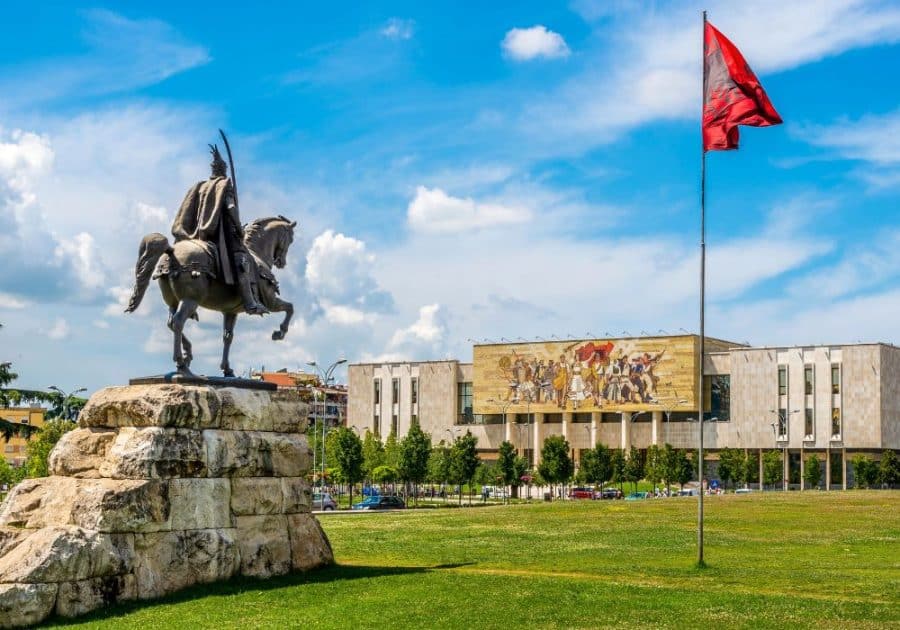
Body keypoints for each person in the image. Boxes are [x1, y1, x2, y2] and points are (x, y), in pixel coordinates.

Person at [171, 144, 267, 315]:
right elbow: (231, 208)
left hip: (198, 235)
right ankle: (250, 303)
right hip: (220, 236)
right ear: (223, 170)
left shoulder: (200, 186)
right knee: (243, 261)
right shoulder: (224, 184)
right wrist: (239, 228)